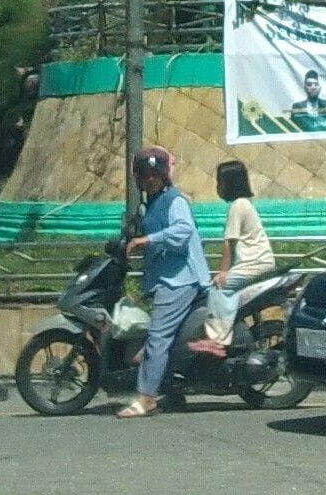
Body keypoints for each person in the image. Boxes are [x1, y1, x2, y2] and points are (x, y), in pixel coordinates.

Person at [116, 146, 208, 418]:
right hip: (163, 278)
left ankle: (146, 398)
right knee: (169, 339)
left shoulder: (175, 200)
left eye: (154, 175)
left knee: (157, 337)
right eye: (144, 175)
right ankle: (172, 389)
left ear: (164, 175)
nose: (149, 180)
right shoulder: (149, 205)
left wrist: (148, 240)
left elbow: (182, 231)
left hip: (180, 280)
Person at [194, 161, 277, 355]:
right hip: (258, 263)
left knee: (218, 286)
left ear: (230, 183)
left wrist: (223, 272)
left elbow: (229, 243)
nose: (218, 187)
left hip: (255, 263)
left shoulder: (237, 206)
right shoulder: (244, 204)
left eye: (220, 182)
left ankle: (216, 339)